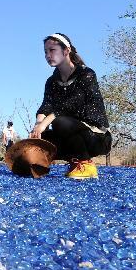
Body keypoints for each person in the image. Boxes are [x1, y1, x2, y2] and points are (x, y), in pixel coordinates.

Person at [29, 33, 111, 179]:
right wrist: (38, 127)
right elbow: (46, 106)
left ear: (66, 51)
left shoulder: (86, 74)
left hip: (95, 137)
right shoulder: (51, 81)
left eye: (52, 50)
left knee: (60, 122)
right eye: (45, 52)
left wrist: (46, 122)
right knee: (43, 139)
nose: (48, 55)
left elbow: (71, 104)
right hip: (70, 132)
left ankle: (86, 164)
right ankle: (69, 162)